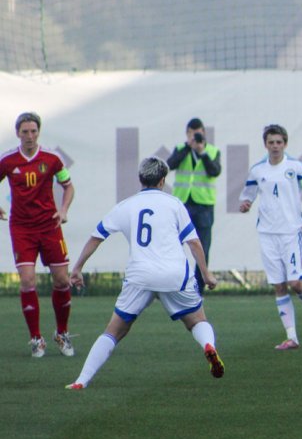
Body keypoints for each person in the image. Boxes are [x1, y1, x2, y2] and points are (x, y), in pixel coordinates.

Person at [65, 157, 224, 389]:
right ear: (162, 180)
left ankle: (81, 380)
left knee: (114, 331)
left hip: (140, 276)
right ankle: (208, 346)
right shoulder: (174, 204)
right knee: (197, 321)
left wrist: (78, 268)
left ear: (140, 179)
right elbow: (194, 243)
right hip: (174, 274)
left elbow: (96, 237)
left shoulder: (126, 206)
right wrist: (206, 274)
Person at [239, 124, 302, 350]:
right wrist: (245, 204)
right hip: (267, 234)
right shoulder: (257, 170)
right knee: (279, 286)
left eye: (279, 142)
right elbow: (247, 196)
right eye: (271, 142)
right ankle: (292, 337)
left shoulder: (295, 167)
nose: (275, 146)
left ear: (285, 144)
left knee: (295, 283)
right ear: (265, 144)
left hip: (290, 233)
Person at [0, 112, 75, 358]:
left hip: (49, 226)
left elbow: (68, 186)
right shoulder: (8, 160)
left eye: (33, 131)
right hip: (22, 228)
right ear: (17, 133)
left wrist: (63, 210)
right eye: (25, 132)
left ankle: (61, 333)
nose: (30, 136)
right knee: (27, 280)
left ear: (38, 132)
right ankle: (36, 338)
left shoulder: (52, 159)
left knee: (62, 280)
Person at [167, 118, 221, 294]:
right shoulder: (181, 149)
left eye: (197, 133)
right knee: (174, 245)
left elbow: (215, 171)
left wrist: (202, 152)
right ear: (187, 134)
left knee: (202, 248)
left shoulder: (212, 151)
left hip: (204, 205)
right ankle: (174, 285)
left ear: (204, 133)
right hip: (182, 203)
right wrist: (188, 147)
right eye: (190, 133)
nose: (194, 136)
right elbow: (170, 165)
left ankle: (198, 291)